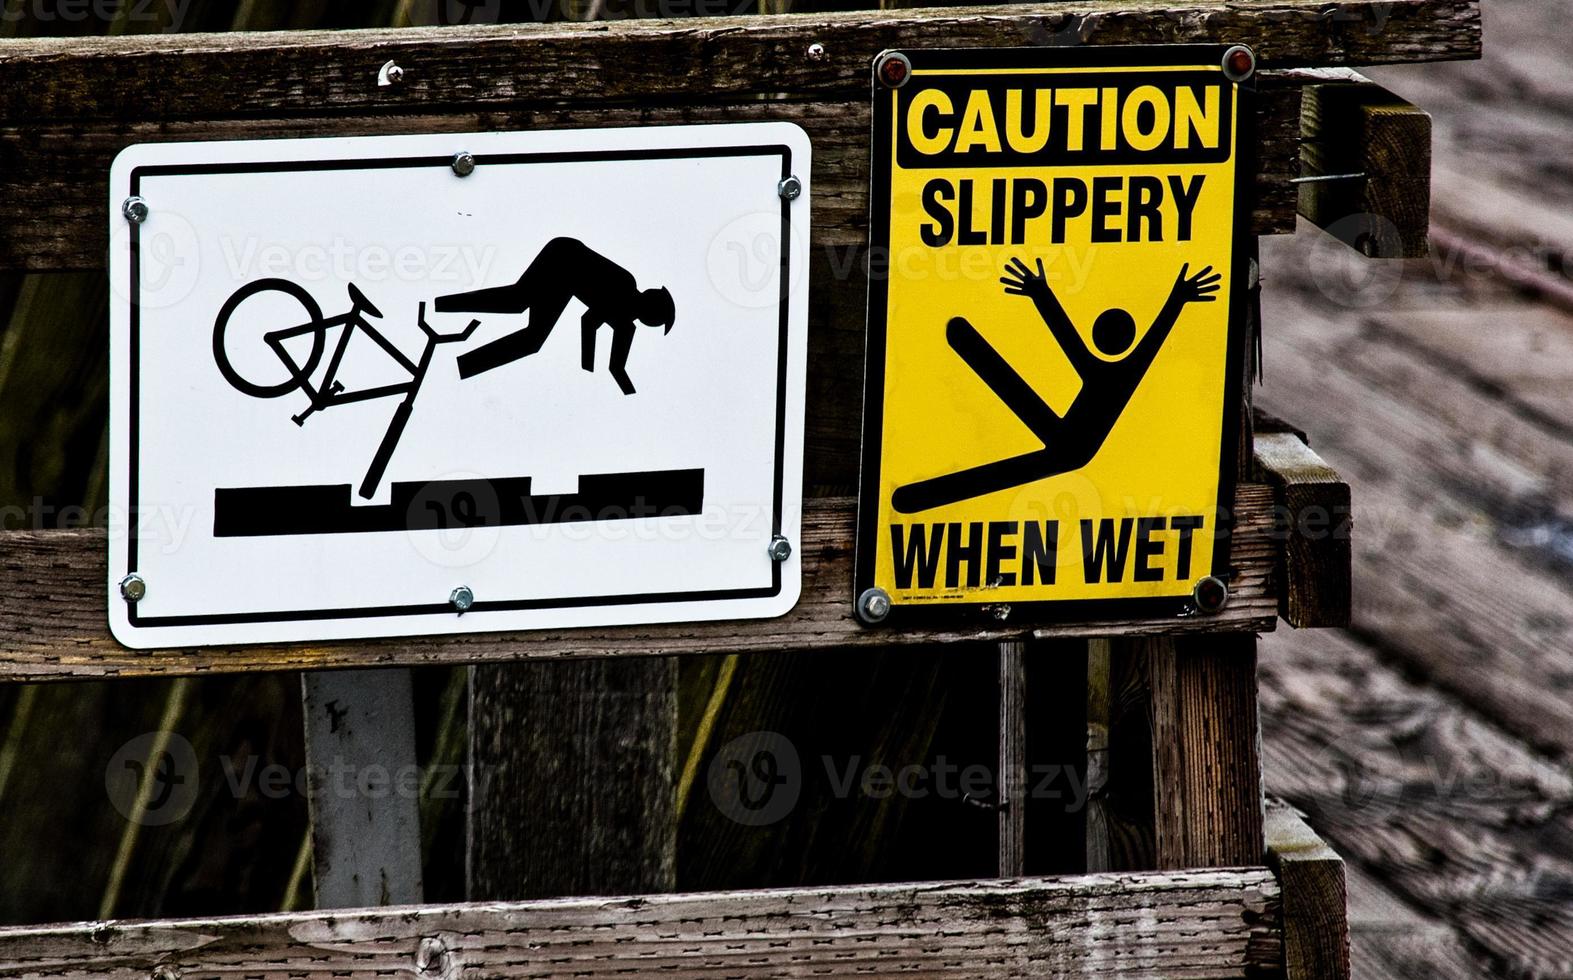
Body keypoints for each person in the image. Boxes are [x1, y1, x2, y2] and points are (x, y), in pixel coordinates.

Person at [892, 258, 1221, 514]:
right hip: (1066, 439)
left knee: (1002, 463)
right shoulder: (1120, 370)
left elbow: (1073, 337)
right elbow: (1075, 337)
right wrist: (1179, 298)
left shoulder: (1121, 372)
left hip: (1073, 452)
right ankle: (961, 336)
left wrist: (1040, 292)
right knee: (1015, 401)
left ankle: (910, 499)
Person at [436, 237, 676, 395]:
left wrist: (630, 396)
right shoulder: (625, 287)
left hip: (568, 281)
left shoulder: (626, 326)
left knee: (529, 334)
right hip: (563, 258)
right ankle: (440, 307)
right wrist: (587, 368)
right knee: (518, 303)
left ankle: (455, 368)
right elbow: (589, 322)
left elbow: (617, 367)